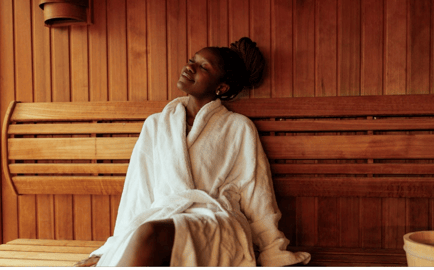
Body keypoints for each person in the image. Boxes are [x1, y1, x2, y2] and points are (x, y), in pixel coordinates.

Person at [74, 37, 311, 267]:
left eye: (203, 67)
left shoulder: (238, 127)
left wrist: (272, 251)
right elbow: (137, 193)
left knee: (150, 233)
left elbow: (257, 194)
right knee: (148, 233)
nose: (190, 67)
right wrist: (111, 249)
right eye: (192, 59)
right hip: (163, 221)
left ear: (221, 87)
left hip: (214, 223)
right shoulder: (156, 124)